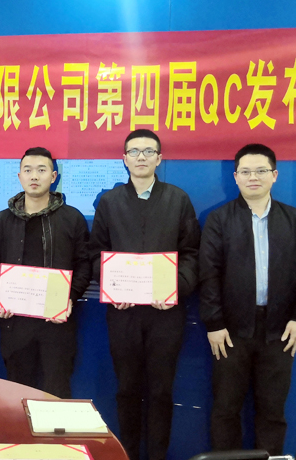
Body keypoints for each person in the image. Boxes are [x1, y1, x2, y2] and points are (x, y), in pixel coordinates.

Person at [200, 144, 296, 455]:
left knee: (272, 411)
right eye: (246, 171)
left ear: (274, 175)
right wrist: (214, 323)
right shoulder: (218, 219)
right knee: (226, 409)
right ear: (236, 177)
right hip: (230, 331)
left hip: (280, 330)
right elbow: (208, 275)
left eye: (261, 170)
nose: (253, 177)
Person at [89, 129, 200, 460]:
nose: (141, 157)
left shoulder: (178, 199)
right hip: (122, 312)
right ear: (124, 159)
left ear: (159, 158)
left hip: (166, 314)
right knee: (126, 389)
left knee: (161, 391)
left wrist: (176, 288)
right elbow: (95, 254)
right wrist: (112, 287)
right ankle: (128, 455)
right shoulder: (109, 202)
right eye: (134, 151)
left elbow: (192, 254)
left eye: (148, 151)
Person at [0, 147, 90, 399]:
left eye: (41, 170)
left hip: (57, 324)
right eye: (28, 170)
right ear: (19, 176)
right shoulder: (3, 220)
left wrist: (70, 298)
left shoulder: (72, 218)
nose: (34, 176)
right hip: (14, 322)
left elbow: (84, 264)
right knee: (17, 393)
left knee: (56, 392)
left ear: (53, 177)